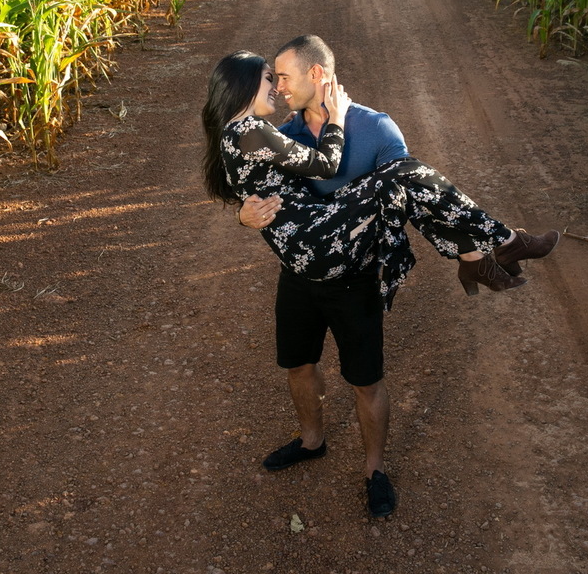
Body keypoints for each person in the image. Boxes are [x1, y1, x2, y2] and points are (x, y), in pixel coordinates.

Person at [202, 37, 559, 518]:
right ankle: (492, 247)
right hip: (309, 256)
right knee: (298, 363)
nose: (279, 88)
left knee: (403, 179)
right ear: (246, 88)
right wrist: (248, 213)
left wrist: (342, 122)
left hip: (348, 270)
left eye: (281, 77)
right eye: (271, 78)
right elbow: (285, 178)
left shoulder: (370, 126)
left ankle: (375, 469)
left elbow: (411, 202)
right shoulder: (268, 130)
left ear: (318, 76)